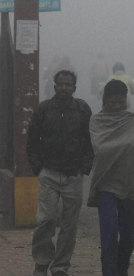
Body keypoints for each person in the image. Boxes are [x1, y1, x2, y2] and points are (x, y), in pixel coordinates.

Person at [26, 70, 94, 276]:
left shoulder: (82, 110)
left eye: (69, 85)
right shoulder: (44, 110)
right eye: (61, 84)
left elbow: (90, 140)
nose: (64, 88)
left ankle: (60, 266)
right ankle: (41, 262)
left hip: (73, 175)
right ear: (54, 86)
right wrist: (38, 168)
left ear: (74, 87)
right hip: (49, 173)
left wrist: (84, 168)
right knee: (45, 220)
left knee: (69, 225)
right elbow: (32, 141)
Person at [87, 80, 134, 276]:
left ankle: (122, 269)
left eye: (120, 103)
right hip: (106, 183)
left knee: (127, 235)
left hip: (130, 185)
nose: (116, 107)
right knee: (108, 235)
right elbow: (100, 148)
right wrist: (124, 148)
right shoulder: (97, 122)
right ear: (104, 101)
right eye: (112, 103)